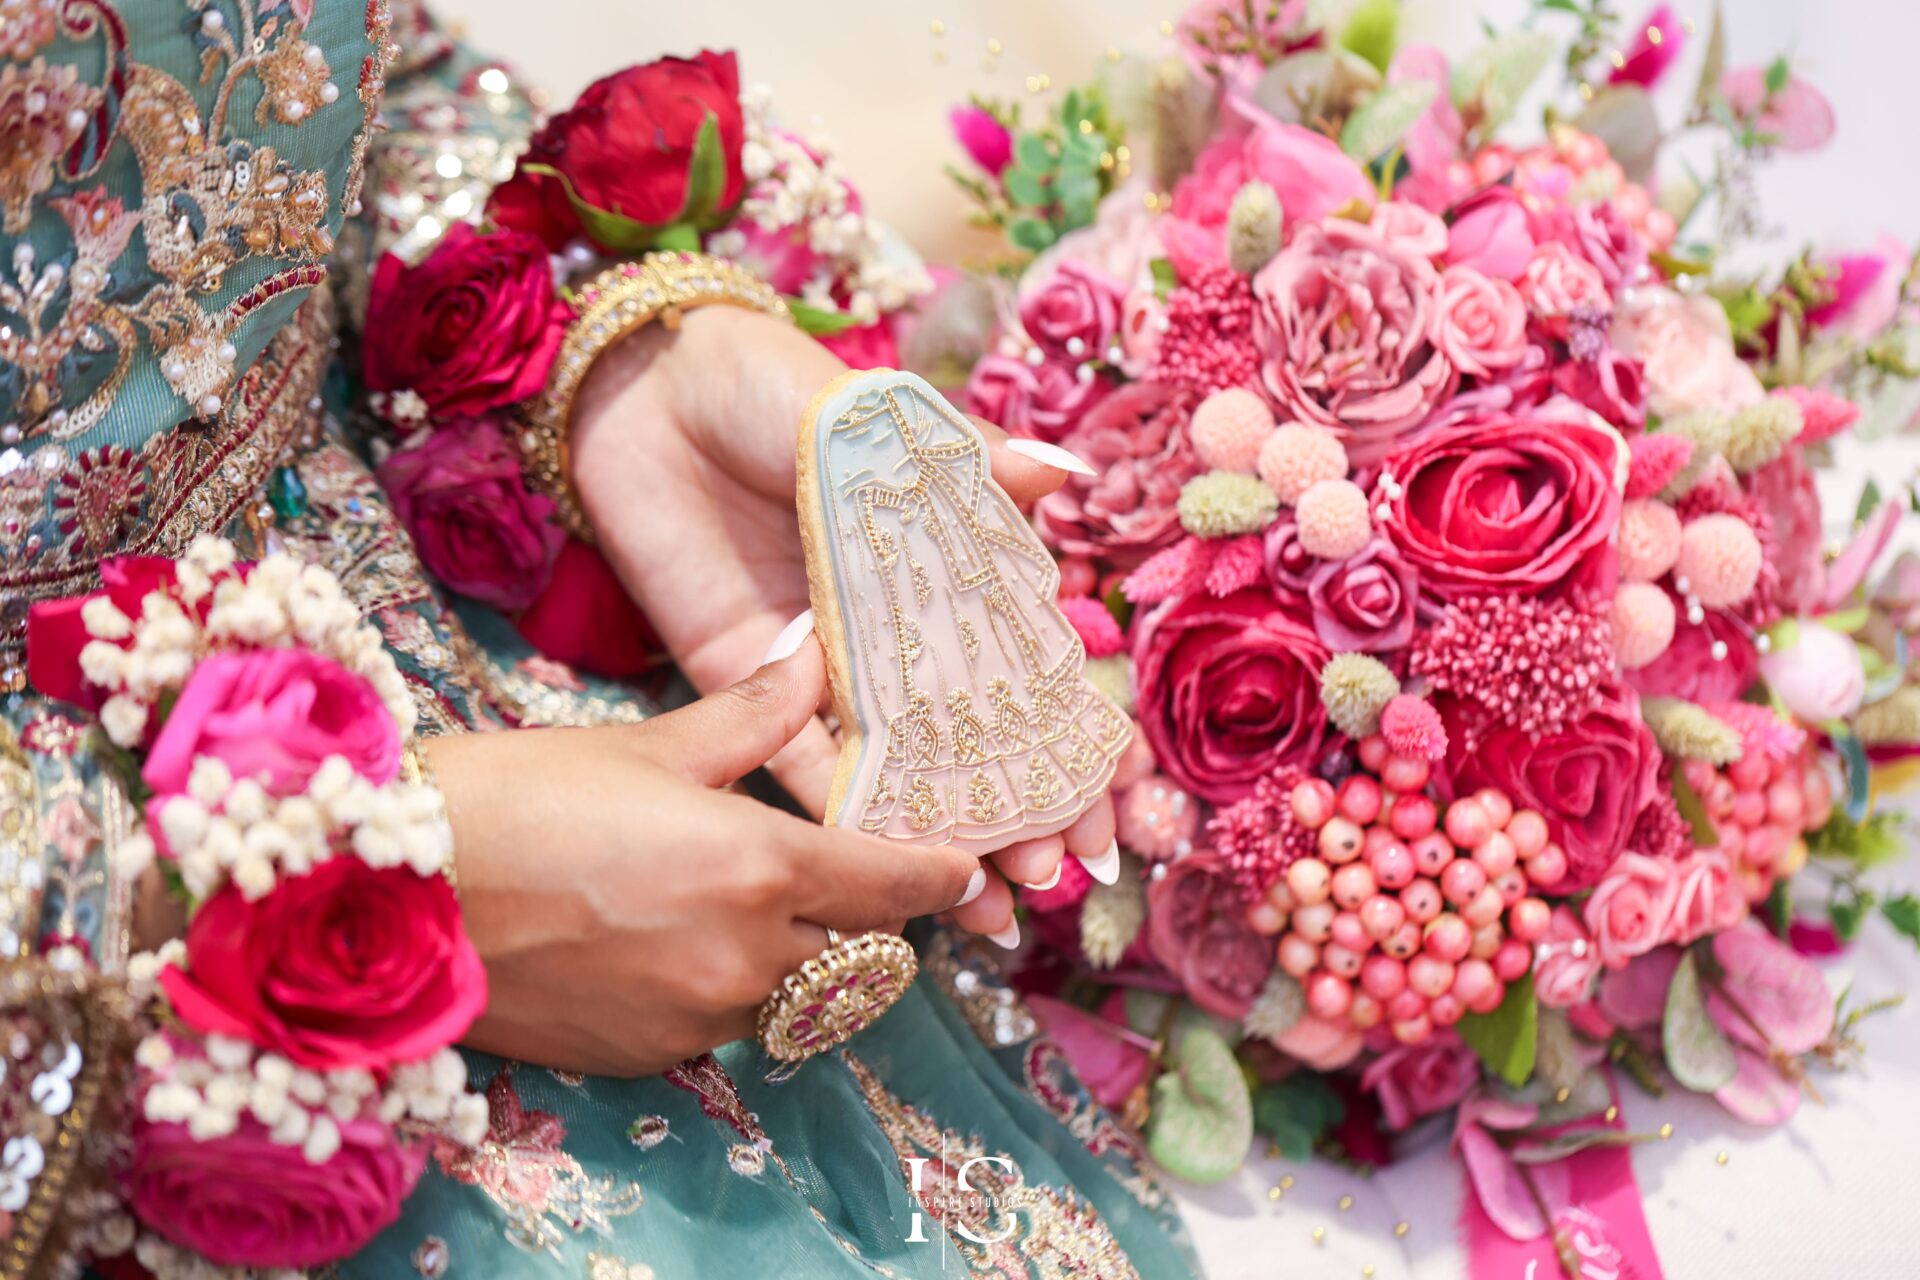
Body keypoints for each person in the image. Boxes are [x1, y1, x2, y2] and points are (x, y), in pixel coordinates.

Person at [0, 2, 1201, 1276]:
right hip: (147, 928)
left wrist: (617, 355)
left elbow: (338, 72)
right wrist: (355, 869)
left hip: (438, 630)